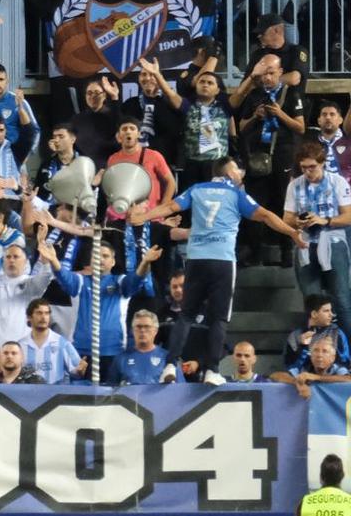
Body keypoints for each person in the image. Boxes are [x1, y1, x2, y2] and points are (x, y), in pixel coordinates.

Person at [129, 157, 308, 379]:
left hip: (196, 260)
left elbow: (169, 206)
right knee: (218, 318)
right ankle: (212, 371)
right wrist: (291, 233)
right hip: (222, 260)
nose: (240, 173)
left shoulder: (197, 189)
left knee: (185, 315)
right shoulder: (235, 193)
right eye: (237, 170)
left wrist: (142, 216)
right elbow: (266, 216)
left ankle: (169, 366)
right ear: (227, 174)